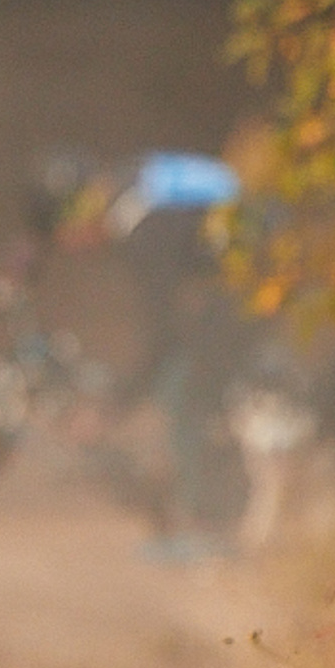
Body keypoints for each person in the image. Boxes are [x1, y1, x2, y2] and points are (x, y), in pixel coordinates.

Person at [23, 148, 247, 554]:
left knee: (185, 391)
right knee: (188, 372)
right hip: (263, 266)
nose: (76, 248)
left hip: (268, 278)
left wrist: (115, 406)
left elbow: (168, 332)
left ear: (77, 212)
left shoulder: (145, 223)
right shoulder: (137, 180)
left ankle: (209, 527)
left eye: (67, 236)